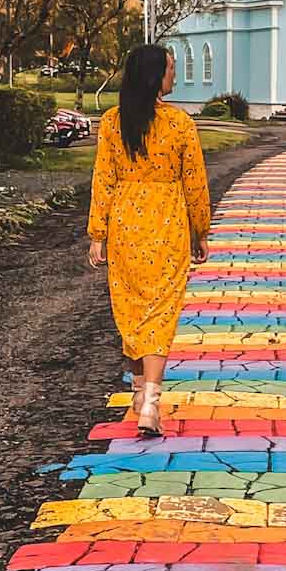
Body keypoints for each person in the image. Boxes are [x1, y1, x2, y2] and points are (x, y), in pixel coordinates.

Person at [88, 42, 211, 436]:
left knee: (131, 309)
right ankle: (151, 402)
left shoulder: (112, 123)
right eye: (171, 69)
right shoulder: (180, 124)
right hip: (167, 221)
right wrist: (200, 229)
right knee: (160, 310)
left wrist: (98, 234)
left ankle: (140, 394)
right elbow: (195, 182)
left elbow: (103, 180)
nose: (174, 76)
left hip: (125, 221)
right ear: (156, 76)